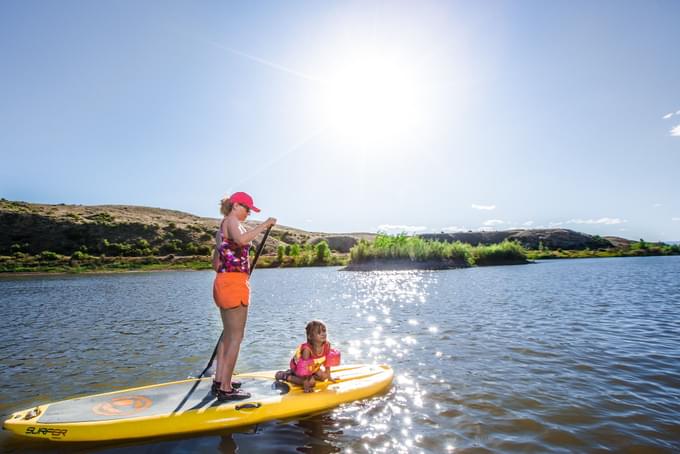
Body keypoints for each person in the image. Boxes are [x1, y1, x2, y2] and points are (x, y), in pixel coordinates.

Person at [211, 191, 276, 401]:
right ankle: (226, 388)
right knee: (236, 337)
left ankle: (220, 380)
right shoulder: (231, 222)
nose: (249, 213)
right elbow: (240, 240)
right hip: (234, 284)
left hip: (223, 281)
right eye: (247, 209)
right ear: (236, 205)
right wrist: (264, 225)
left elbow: (215, 264)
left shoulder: (222, 227)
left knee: (227, 335)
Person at [275, 320, 341, 393]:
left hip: (313, 367)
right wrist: (305, 384)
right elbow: (304, 367)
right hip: (298, 367)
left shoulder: (327, 345)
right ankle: (285, 376)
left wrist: (329, 376)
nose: (323, 334)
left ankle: (294, 374)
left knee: (324, 377)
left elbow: (327, 362)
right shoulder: (307, 350)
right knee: (311, 383)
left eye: (324, 331)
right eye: (319, 332)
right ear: (310, 336)